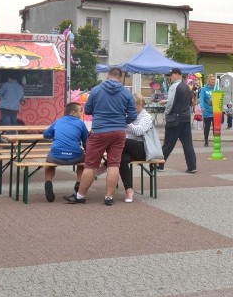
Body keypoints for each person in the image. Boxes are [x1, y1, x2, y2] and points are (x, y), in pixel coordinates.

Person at [63, 67, 137, 205]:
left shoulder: (96, 90)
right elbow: (133, 115)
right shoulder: (127, 93)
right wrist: (121, 122)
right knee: (114, 164)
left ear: (108, 75)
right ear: (120, 78)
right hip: (118, 133)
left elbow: (89, 110)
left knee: (90, 165)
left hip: (99, 131)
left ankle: (80, 196)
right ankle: (108, 197)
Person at [42, 102, 88, 203]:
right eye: (80, 111)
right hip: (75, 156)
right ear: (73, 112)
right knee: (82, 163)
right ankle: (78, 182)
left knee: (49, 163)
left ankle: (48, 182)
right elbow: (86, 141)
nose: (81, 113)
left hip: (56, 156)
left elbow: (46, 134)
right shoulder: (81, 123)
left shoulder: (58, 121)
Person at [161, 68, 197, 173]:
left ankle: (159, 164)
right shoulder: (186, 87)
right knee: (188, 144)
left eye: (171, 75)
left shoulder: (174, 86)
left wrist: (166, 112)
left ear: (177, 74)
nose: (170, 77)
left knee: (168, 144)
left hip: (174, 119)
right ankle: (192, 166)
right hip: (185, 118)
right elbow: (190, 102)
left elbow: (171, 103)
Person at [120, 93, 154, 202]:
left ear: (140, 104)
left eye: (133, 105)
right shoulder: (129, 116)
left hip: (144, 149)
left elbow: (138, 131)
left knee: (123, 141)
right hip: (128, 149)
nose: (130, 108)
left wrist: (126, 122)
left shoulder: (146, 117)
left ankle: (105, 165)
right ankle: (129, 190)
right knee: (122, 159)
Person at [199, 74, 216, 147]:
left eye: (214, 80)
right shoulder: (204, 89)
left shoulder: (216, 88)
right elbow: (201, 99)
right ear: (208, 80)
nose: (213, 81)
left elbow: (220, 97)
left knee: (216, 127)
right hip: (206, 110)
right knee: (207, 127)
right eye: (212, 80)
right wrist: (202, 107)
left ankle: (216, 140)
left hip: (215, 111)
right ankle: (206, 140)